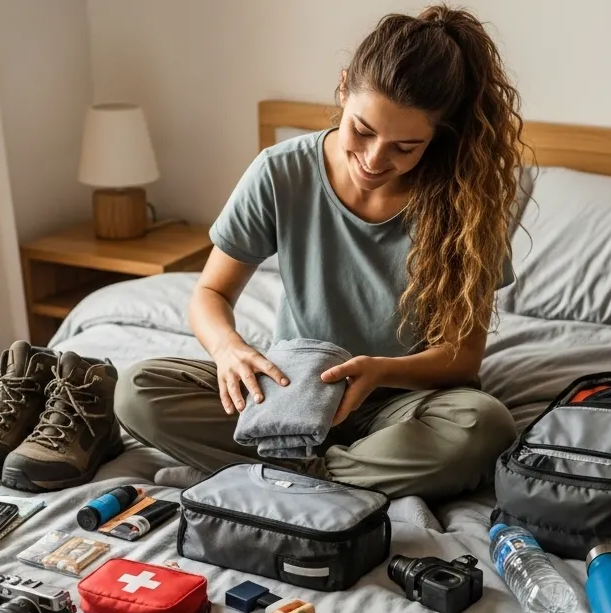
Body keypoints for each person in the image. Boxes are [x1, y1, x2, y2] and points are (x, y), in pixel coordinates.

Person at [116, 5, 524, 499]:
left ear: (438, 136)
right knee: (138, 391)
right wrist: (229, 350)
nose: (375, 160)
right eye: (364, 131)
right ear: (343, 87)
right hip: (291, 391)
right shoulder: (280, 171)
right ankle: (327, 474)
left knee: (485, 426)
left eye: (405, 147)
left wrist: (380, 371)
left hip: (400, 402)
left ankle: (280, 472)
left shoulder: (467, 202)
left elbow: (462, 357)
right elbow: (210, 292)